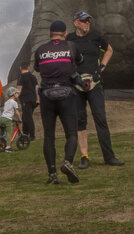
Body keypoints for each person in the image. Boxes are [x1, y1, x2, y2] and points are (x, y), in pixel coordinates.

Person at [66, 10, 124, 167]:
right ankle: (84, 157)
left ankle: (109, 156)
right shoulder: (69, 39)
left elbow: (110, 50)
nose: (87, 23)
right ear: (76, 22)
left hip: (95, 84)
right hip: (77, 86)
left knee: (101, 119)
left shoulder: (96, 36)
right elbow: (65, 58)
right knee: (80, 121)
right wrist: (73, 75)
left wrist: (101, 69)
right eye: (84, 21)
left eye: (88, 21)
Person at [34, 20, 83, 185]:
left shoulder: (41, 50)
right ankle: (68, 162)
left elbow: (38, 68)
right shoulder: (71, 46)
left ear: (50, 34)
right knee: (71, 133)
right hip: (66, 93)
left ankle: (52, 173)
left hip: (47, 95)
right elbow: (79, 61)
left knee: (49, 136)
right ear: (65, 34)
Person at [15, 62, 38, 142]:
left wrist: (15, 97)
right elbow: (36, 88)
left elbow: (19, 89)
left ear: (20, 68)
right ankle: (25, 134)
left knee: (28, 118)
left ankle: (32, 136)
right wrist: (38, 99)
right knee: (25, 117)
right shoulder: (33, 76)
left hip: (26, 100)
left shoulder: (21, 77)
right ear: (28, 67)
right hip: (34, 100)